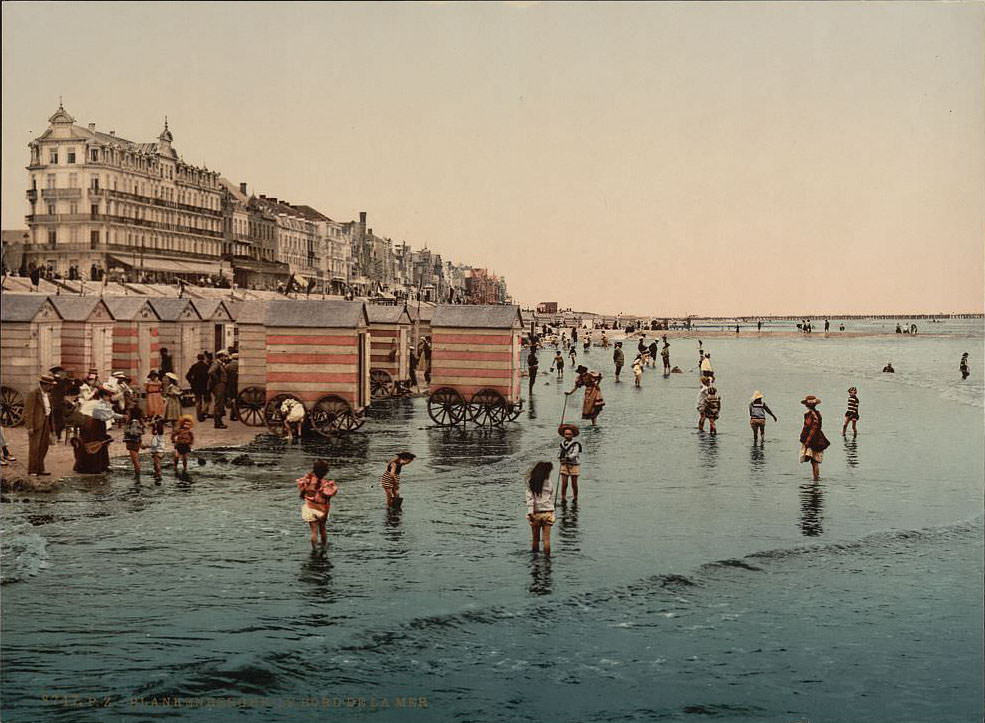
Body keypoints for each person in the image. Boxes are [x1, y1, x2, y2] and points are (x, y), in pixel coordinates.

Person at [72, 387, 118, 474]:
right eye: (108, 396)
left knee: (102, 442)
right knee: (95, 443)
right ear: (103, 396)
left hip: (95, 423)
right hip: (91, 424)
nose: (109, 398)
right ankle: (94, 466)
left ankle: (102, 465)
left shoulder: (100, 403)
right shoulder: (98, 403)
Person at [297, 458, 338, 549]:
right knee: (323, 529)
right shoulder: (325, 483)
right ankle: (324, 546)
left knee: (314, 531)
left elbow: (301, 486)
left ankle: (314, 549)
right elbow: (330, 493)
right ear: (325, 472)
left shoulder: (308, 480)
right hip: (322, 510)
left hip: (309, 508)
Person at [24, 374, 56, 476]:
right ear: (44, 385)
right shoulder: (33, 394)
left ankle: (40, 468)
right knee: (34, 447)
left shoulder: (48, 396)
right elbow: (28, 412)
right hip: (36, 423)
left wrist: (52, 428)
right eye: (50, 385)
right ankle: (32, 469)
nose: (52, 387)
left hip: (46, 422)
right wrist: (30, 426)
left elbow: (50, 412)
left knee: (44, 446)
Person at [525, 461, 556, 554]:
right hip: (548, 512)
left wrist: (530, 512)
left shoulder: (531, 482)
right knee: (546, 540)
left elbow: (529, 499)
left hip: (535, 513)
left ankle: (535, 562)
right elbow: (550, 496)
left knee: (535, 540)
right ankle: (547, 562)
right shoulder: (549, 483)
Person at [799, 395, 830, 482]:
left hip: (813, 439)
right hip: (817, 438)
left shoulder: (810, 415)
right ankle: (816, 478)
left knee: (814, 461)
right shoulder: (817, 414)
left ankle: (816, 479)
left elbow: (812, 428)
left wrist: (807, 440)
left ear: (806, 405)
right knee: (814, 461)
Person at [557, 424, 582, 501]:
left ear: (573, 435)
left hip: (574, 465)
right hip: (564, 465)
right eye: (566, 434)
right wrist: (560, 458)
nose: (567, 436)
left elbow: (575, 453)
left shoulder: (576, 444)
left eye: (569, 434)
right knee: (564, 484)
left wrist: (567, 458)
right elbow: (559, 452)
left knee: (574, 484)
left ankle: (575, 497)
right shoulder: (562, 444)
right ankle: (563, 497)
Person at [185, 354, 211, 421]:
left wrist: (192, 383)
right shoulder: (206, 366)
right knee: (207, 401)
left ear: (197, 358)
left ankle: (198, 416)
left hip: (196, 387)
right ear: (203, 358)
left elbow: (187, 376)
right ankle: (203, 412)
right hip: (205, 386)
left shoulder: (194, 366)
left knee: (198, 401)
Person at [207, 352, 228, 428]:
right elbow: (210, 372)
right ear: (221, 357)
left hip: (220, 385)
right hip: (219, 385)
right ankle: (218, 423)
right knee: (218, 403)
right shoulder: (216, 363)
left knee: (220, 403)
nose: (225, 358)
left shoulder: (219, 364)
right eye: (224, 356)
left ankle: (219, 422)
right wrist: (217, 380)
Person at [48, 367, 69, 442]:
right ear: (58, 373)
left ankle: (57, 435)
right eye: (61, 372)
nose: (63, 374)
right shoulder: (57, 381)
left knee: (59, 421)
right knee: (57, 420)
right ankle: (56, 436)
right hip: (55, 403)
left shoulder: (60, 381)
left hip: (59, 403)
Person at [123, 406, 144, 476]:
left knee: (135, 461)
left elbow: (134, 432)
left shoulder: (133, 422)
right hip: (135, 442)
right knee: (135, 460)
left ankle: (137, 476)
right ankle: (137, 475)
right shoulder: (137, 422)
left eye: (128, 414)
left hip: (133, 443)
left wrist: (126, 430)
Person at [225, 353, 239, 421]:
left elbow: (225, 373)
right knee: (235, 399)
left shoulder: (228, 365)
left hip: (230, 384)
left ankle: (232, 415)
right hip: (236, 384)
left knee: (232, 399)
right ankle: (234, 415)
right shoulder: (238, 364)